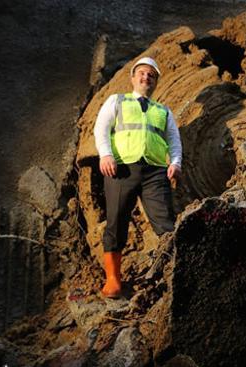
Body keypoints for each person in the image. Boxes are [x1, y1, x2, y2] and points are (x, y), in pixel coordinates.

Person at [93, 57, 182, 298]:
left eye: (151, 75)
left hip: (154, 172)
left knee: (165, 222)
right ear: (133, 78)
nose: (146, 78)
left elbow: (173, 140)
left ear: (156, 83)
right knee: (116, 220)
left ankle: (176, 273)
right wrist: (106, 155)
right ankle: (113, 279)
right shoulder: (117, 101)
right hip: (121, 169)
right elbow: (101, 128)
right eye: (142, 73)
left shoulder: (163, 111)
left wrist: (175, 163)